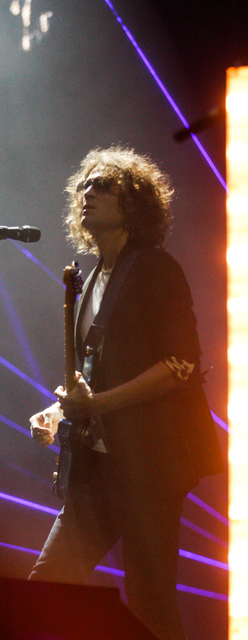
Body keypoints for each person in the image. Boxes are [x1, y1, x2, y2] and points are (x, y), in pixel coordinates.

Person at [28, 146, 224, 640]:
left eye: (103, 185)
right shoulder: (93, 276)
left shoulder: (156, 268)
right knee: (46, 587)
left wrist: (98, 405)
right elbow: (96, 374)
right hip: (98, 468)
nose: (87, 192)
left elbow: (180, 365)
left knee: (151, 608)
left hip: (149, 469)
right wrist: (58, 411)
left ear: (133, 202)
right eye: (84, 185)